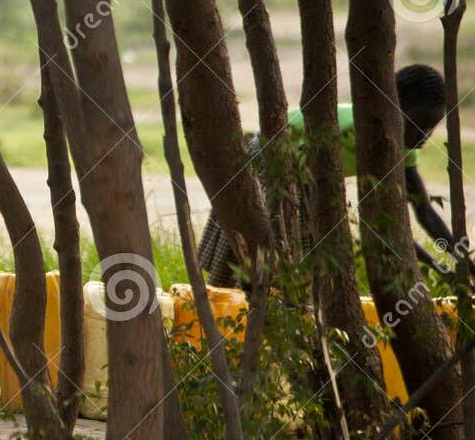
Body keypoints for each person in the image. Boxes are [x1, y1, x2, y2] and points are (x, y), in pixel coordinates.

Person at [199, 63, 464, 286]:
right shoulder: (363, 131)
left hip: (305, 181)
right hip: (270, 164)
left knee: (298, 261)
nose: (423, 137)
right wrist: (438, 267)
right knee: (262, 255)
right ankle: (237, 313)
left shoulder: (404, 149)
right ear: (392, 108)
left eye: (430, 129)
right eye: (417, 125)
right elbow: (381, 226)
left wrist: (463, 263)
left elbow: (424, 212)